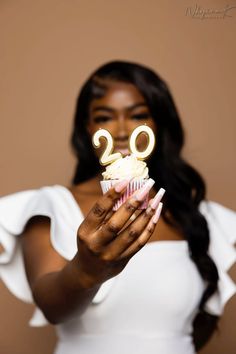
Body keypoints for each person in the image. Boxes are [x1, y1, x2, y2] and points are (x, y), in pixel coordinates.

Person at [0, 60, 235, 354]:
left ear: (158, 126)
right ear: (89, 128)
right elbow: (52, 306)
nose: (122, 131)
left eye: (138, 116)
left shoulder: (196, 215)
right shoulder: (51, 206)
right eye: (105, 117)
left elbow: (194, 328)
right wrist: (88, 268)